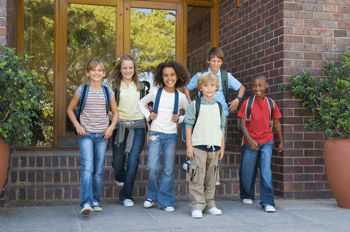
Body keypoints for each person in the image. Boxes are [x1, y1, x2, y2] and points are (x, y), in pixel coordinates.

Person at [183, 47, 245, 185]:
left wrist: (237, 99)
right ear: (208, 61)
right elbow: (186, 87)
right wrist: (189, 102)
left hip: (220, 113)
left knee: (219, 143)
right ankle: (192, 163)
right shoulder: (201, 74)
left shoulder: (225, 76)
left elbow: (242, 87)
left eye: (218, 61)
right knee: (198, 139)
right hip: (203, 113)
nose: (215, 64)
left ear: (222, 62)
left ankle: (215, 175)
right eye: (213, 61)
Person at [67, 57, 118, 215]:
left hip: (103, 135)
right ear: (87, 73)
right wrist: (77, 125)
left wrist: (111, 128)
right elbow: (70, 109)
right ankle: (86, 203)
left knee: (98, 171)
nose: (96, 73)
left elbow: (116, 113)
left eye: (99, 71)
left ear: (103, 74)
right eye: (93, 70)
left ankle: (96, 200)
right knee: (87, 168)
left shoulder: (107, 91)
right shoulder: (81, 90)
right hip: (87, 135)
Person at [138, 61, 190, 212]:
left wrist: (179, 119)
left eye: (172, 75)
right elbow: (141, 104)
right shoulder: (156, 93)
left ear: (177, 76)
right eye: (166, 75)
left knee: (168, 169)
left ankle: (166, 200)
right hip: (155, 133)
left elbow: (189, 114)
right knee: (152, 167)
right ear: (161, 77)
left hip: (171, 136)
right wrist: (149, 115)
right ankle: (151, 195)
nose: (169, 78)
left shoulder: (180, 97)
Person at [237, 74, 283, 213]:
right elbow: (242, 124)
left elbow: (276, 122)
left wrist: (281, 140)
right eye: (255, 86)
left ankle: (268, 202)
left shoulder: (271, 103)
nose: (257, 88)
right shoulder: (247, 103)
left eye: (260, 86)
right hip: (250, 142)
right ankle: (247, 194)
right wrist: (250, 140)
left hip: (267, 141)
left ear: (266, 86)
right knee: (247, 171)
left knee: (265, 171)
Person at [107, 55, 148, 207]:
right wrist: (109, 113)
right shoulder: (114, 86)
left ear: (134, 69)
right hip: (120, 126)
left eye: (130, 67)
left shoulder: (142, 87)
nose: (128, 70)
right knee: (118, 163)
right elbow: (109, 105)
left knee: (133, 161)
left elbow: (147, 108)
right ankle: (121, 175)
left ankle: (126, 195)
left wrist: (149, 129)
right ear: (120, 69)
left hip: (138, 126)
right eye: (124, 67)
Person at [185, 72, 226, 219]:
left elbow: (221, 128)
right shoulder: (194, 105)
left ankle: (210, 204)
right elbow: (188, 126)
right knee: (197, 177)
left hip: (214, 147)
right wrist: (189, 146)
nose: (209, 88)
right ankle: (197, 205)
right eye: (206, 86)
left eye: (212, 86)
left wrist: (222, 147)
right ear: (200, 88)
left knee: (211, 177)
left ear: (216, 87)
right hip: (198, 146)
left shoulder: (219, 107)